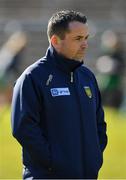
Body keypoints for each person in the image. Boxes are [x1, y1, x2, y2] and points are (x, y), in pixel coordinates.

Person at [11, 10, 107, 179]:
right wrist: (54, 162)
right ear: (55, 41)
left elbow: (99, 123)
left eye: (86, 38)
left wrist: (94, 157)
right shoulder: (32, 77)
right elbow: (24, 129)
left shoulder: (87, 77)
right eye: (78, 39)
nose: (85, 44)